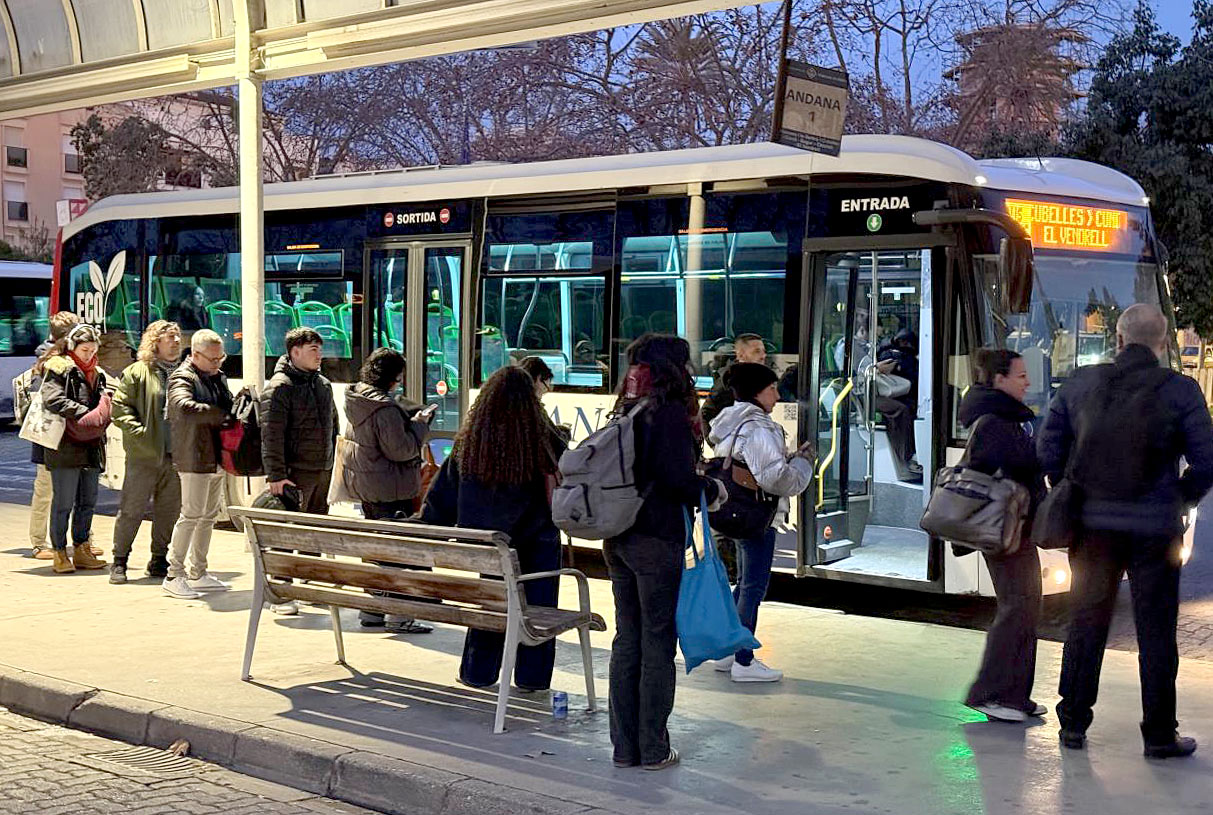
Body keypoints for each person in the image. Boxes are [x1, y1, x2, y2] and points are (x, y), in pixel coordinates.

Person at [1038, 304, 1213, 757]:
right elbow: (1207, 461)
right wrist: (1179, 497)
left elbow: (1048, 447)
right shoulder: (1181, 391)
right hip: (1155, 529)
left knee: (1086, 621)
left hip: (1092, 526)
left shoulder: (1080, 384)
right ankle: (1158, 734)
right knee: (1156, 632)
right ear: (1161, 343)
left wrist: (1069, 487)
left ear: (1117, 339)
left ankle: (1073, 724)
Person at [604, 333, 725, 771]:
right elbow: (677, 479)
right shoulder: (667, 411)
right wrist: (710, 488)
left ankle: (624, 748)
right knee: (657, 641)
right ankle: (653, 747)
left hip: (619, 537)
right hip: (656, 538)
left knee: (627, 638)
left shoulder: (626, 406)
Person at [418, 366, 565, 690]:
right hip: (537, 544)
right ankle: (532, 678)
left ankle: (477, 672)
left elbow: (440, 500)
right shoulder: (541, 439)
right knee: (539, 608)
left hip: (489, 546)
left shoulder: (469, 443)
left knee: (493, 601)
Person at [706, 362, 814, 683]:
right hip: (755, 515)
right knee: (753, 587)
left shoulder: (727, 419)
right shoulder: (759, 427)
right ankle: (744, 660)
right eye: (772, 389)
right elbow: (776, 479)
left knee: (742, 584)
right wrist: (803, 464)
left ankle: (730, 650)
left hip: (732, 510)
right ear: (757, 392)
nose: (777, 396)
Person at [957, 349, 1047, 723]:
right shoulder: (996, 421)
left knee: (1027, 607)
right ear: (998, 379)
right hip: (1003, 529)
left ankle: (1015, 695)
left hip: (1016, 527)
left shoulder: (1006, 418)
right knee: (1017, 608)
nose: (1028, 382)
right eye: (1021, 375)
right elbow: (1015, 467)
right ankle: (987, 693)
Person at [342, 347, 436, 634]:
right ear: (391, 377)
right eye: (398, 377)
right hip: (391, 488)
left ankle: (372, 610)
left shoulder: (358, 399)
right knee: (398, 553)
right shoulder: (384, 408)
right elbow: (402, 450)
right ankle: (399, 615)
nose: (399, 383)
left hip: (370, 486)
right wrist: (420, 424)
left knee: (379, 551)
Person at [261, 327, 339, 616]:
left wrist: (333, 463)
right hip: (294, 472)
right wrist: (276, 475)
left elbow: (334, 426)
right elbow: (271, 435)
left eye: (320, 348)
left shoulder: (323, 384)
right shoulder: (280, 386)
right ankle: (280, 591)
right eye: (312, 350)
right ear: (294, 352)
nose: (319, 355)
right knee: (287, 534)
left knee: (314, 531)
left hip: (321, 469)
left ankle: (308, 583)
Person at [15, 311, 97, 560]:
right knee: (46, 488)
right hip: (49, 435)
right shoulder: (50, 358)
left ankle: (83, 540)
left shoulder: (78, 357)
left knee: (78, 491)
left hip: (72, 436)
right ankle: (39, 542)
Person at [109, 321, 183, 584]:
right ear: (155, 342)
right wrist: (140, 434)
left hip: (176, 456)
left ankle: (159, 559)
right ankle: (119, 561)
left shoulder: (186, 371)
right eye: (169, 338)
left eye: (177, 337)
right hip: (144, 455)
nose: (175, 341)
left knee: (169, 511)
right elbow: (119, 409)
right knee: (132, 509)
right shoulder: (137, 372)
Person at [163, 329, 233, 600]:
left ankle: (198, 572)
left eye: (220, 358)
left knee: (208, 516)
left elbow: (226, 405)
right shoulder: (182, 376)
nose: (217, 363)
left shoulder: (217, 376)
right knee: (191, 514)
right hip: (193, 456)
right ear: (194, 354)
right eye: (212, 359)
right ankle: (173, 574)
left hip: (216, 456)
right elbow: (181, 407)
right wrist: (218, 414)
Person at [39, 323, 111, 574]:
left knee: (88, 501)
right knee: (64, 502)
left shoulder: (98, 372)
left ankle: (82, 549)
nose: (89, 355)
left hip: (91, 445)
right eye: (84, 350)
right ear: (72, 348)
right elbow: (52, 399)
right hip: (65, 446)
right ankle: (59, 552)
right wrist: (85, 413)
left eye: (92, 350)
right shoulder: (59, 368)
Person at [700, 333, 767, 434]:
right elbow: (706, 414)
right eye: (757, 351)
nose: (763, 356)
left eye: (764, 351)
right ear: (740, 355)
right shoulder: (729, 381)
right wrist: (718, 445)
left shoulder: (762, 378)